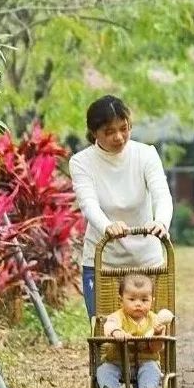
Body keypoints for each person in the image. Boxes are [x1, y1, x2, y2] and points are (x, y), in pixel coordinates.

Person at [69, 94, 173, 320]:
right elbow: (88, 203)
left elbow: (161, 194)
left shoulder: (145, 155)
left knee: (150, 333)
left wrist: (161, 222)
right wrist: (107, 226)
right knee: (105, 333)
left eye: (123, 129)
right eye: (109, 132)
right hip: (103, 259)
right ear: (94, 132)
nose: (118, 137)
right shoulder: (81, 162)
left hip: (146, 261)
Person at [96, 272, 173, 388]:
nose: (138, 304)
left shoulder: (154, 320)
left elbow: (155, 349)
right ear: (121, 299)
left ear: (152, 300)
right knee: (103, 371)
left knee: (152, 370)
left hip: (144, 362)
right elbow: (109, 325)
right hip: (117, 362)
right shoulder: (118, 316)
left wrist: (158, 335)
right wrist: (116, 332)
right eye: (132, 300)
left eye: (144, 300)